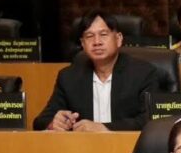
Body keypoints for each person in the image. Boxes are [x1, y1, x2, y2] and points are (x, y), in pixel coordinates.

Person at [32, 12, 160, 131]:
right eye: (89, 36)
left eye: (103, 35)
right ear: (83, 44)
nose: (97, 42)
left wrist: (103, 128)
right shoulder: (69, 77)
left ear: (118, 39)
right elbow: (41, 121)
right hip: (83, 147)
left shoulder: (143, 73)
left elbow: (150, 121)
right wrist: (54, 123)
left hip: (129, 146)